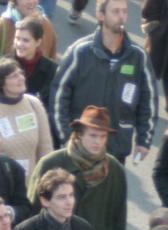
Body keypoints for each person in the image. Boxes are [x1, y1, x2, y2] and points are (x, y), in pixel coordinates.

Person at [28, 106, 127, 230]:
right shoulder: (51, 163)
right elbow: (32, 213)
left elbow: (119, 220)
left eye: (103, 136)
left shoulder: (115, 169)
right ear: (79, 134)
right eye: (93, 135)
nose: (98, 141)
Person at [51, 0, 152, 163]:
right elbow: (59, 95)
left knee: (111, 189)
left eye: (124, 11)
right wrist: (67, 138)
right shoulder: (79, 52)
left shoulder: (138, 56)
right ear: (100, 15)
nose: (121, 17)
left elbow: (148, 100)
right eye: (115, 12)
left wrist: (143, 140)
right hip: (80, 148)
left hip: (116, 149)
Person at [0, 57, 54, 176]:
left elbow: (45, 148)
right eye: (14, 76)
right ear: (0, 83)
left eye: (21, 73)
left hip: (30, 186)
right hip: (0, 185)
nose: (21, 78)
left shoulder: (34, 104)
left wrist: (48, 178)